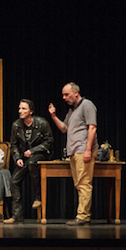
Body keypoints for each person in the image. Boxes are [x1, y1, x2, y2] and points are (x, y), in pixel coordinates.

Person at [49, 83, 99, 226]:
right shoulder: (72, 111)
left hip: (83, 150)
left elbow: (92, 128)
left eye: (67, 94)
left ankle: (83, 216)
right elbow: (64, 128)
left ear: (76, 93)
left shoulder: (87, 105)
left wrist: (88, 150)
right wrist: (53, 116)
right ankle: (83, 215)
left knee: (84, 183)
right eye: (63, 95)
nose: (64, 98)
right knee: (79, 184)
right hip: (74, 151)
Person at [5, 99, 53, 224]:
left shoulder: (41, 123)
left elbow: (49, 142)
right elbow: (14, 145)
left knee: (32, 163)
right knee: (13, 181)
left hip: (41, 155)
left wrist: (33, 151)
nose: (20, 111)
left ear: (31, 111)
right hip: (25, 158)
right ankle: (17, 216)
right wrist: (17, 158)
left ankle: (38, 197)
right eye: (19, 108)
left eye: (23, 108)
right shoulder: (16, 125)